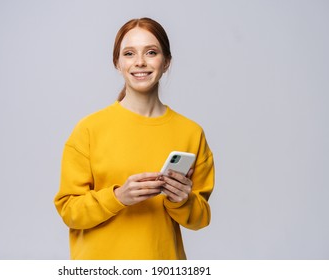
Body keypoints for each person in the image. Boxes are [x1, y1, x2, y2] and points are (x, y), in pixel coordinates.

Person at [54, 17, 215, 260]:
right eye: (129, 53)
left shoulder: (190, 132)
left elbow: (200, 218)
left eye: (151, 52)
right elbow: (69, 210)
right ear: (117, 63)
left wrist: (181, 200)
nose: (140, 62)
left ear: (166, 62)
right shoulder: (89, 129)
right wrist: (119, 197)